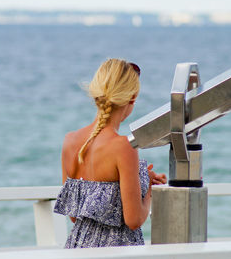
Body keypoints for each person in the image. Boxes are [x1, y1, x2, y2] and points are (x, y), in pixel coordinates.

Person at [54, 58, 167, 248]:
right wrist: (148, 192)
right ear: (132, 98)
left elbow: (74, 215)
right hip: (115, 251)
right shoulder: (123, 146)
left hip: (76, 249)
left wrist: (142, 178)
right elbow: (134, 220)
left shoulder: (70, 141)